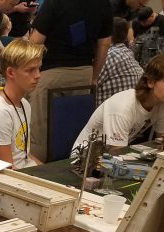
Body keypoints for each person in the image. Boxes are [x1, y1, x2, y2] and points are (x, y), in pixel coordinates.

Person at [28, 0, 113, 161]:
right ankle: (73, 167)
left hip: (51, 73)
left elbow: (36, 41)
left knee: (40, 132)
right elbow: (104, 44)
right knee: (75, 128)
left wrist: (28, 71)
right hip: (84, 72)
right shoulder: (104, 4)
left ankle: (37, 171)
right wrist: (94, 76)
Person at [72, 51, 164, 155]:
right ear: (151, 82)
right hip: (84, 159)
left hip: (114, 155)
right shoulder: (123, 106)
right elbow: (115, 154)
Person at [0, 39, 44, 168]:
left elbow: (25, 155)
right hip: (9, 177)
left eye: (39, 68)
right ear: (11, 72)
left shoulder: (24, 104)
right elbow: (8, 170)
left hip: (24, 172)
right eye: (30, 70)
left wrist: (46, 172)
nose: (38, 75)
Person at [96, 18, 144, 106]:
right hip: (128, 110)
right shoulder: (128, 54)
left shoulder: (108, 56)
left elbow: (90, 85)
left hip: (105, 111)